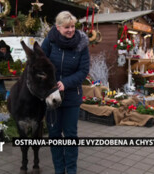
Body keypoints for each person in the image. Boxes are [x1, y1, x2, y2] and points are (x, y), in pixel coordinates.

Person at [41, 11, 90, 174]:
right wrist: (49, 83)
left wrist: (66, 83)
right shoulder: (49, 42)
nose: (70, 30)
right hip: (51, 97)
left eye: (72, 27)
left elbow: (83, 71)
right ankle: (59, 170)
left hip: (71, 97)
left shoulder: (82, 44)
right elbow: (40, 64)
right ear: (58, 27)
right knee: (54, 135)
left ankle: (71, 170)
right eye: (66, 27)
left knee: (70, 135)